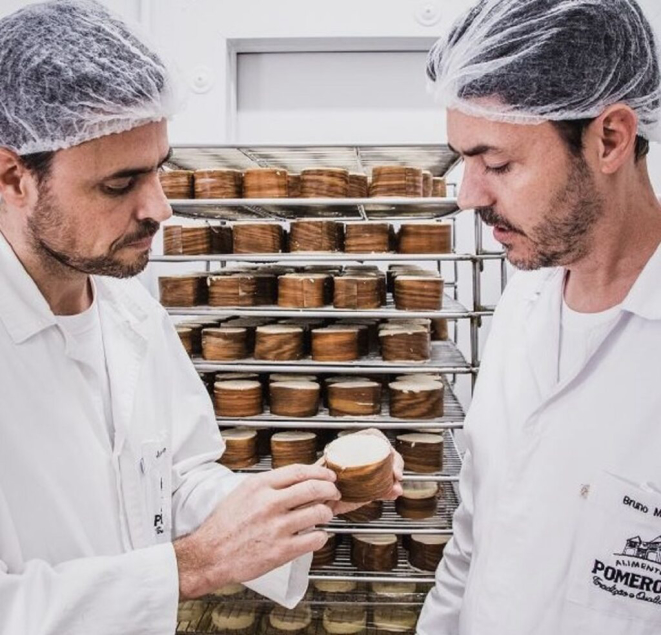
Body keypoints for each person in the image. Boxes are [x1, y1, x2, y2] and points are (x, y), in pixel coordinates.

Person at [0, 2, 403, 634]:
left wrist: (296, 506)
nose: (160, 208)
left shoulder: (130, 310)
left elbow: (176, 482)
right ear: (12, 177)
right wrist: (190, 569)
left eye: (158, 169)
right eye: (119, 184)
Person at [416, 1, 661, 634]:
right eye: (463, 161)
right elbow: (471, 549)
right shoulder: (520, 307)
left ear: (609, 138)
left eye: (496, 164)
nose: (468, 194)